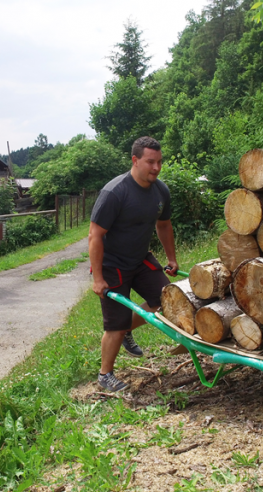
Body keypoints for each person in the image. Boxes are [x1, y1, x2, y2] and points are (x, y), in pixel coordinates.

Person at [89, 136, 178, 393]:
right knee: (114, 326)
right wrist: (98, 278)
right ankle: (105, 375)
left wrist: (171, 258)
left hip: (140, 259)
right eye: (151, 162)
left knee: (166, 301)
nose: (156, 168)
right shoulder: (115, 192)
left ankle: (128, 329)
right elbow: (95, 236)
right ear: (135, 160)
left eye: (160, 162)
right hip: (112, 264)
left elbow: (163, 225)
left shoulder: (161, 191)